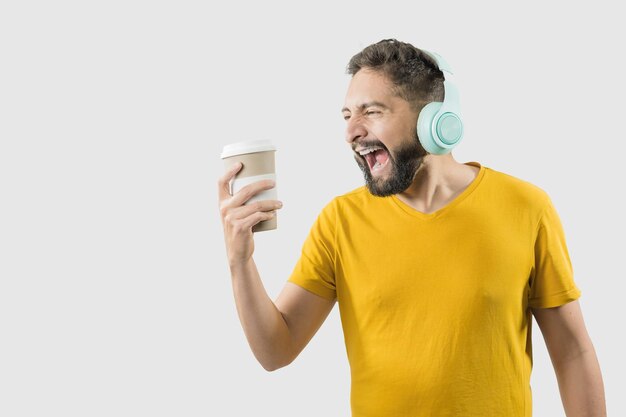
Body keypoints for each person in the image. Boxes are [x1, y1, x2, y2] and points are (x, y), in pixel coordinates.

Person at [218, 39, 606, 417]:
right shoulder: (340, 221)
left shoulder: (526, 207)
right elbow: (274, 351)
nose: (351, 131)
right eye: (347, 115)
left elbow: (572, 352)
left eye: (371, 111)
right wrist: (240, 261)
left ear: (433, 118)